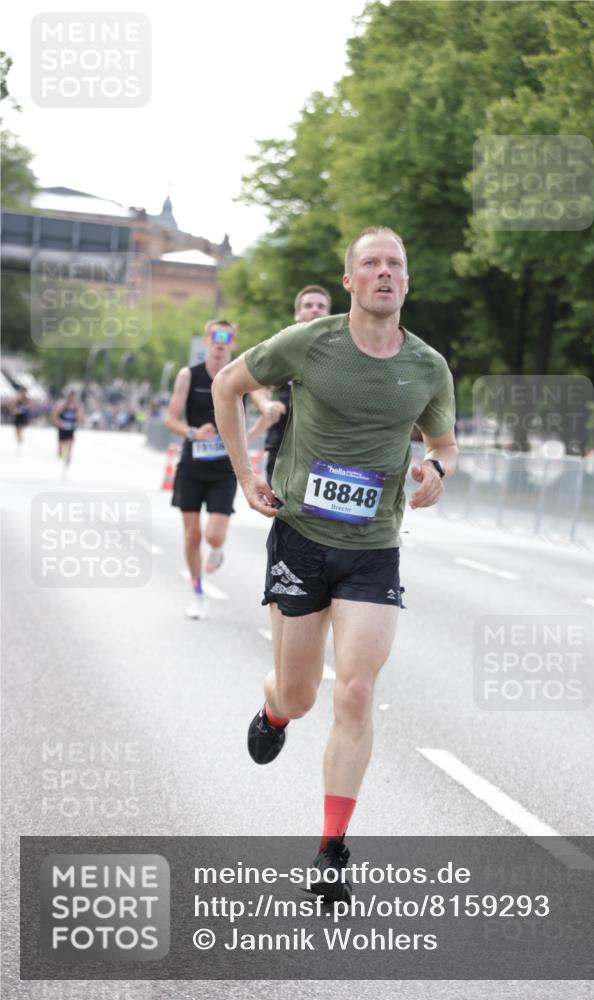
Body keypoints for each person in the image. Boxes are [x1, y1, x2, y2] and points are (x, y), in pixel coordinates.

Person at [213, 226, 457, 902]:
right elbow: (228, 384)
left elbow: (443, 440)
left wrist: (436, 466)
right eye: (370, 264)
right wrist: (243, 471)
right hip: (300, 537)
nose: (384, 273)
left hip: (373, 545)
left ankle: (330, 850)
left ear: (407, 282)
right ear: (349, 281)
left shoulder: (428, 367)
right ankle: (275, 711)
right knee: (301, 692)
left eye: (395, 265)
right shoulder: (309, 344)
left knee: (354, 691)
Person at [165, 319, 239, 620]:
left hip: (224, 467)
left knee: (214, 536)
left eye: (227, 338)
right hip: (193, 463)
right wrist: (195, 432)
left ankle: (218, 548)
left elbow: (259, 397)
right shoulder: (188, 375)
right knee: (193, 535)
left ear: (233, 343)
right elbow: (171, 418)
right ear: (206, 341)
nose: (220, 342)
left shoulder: (237, 375)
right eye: (215, 337)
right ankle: (197, 593)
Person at [249, 285, 331, 482]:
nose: (315, 309)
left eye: (321, 306)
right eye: (308, 305)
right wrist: (265, 404)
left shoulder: (341, 351)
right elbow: (256, 384)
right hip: (283, 449)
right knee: (281, 511)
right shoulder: (283, 348)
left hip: (326, 450)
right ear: (297, 313)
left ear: (328, 314)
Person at [50, 389, 80, 476]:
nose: (72, 398)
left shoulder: (76, 407)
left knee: (70, 448)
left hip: (70, 430)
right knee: (60, 451)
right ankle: (61, 454)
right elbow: (53, 416)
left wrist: (76, 424)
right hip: (62, 430)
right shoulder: (61, 405)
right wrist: (60, 424)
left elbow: (80, 418)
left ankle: (66, 468)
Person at [10, 386, 31, 451]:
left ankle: (20, 439)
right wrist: (15, 411)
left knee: (21, 428)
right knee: (17, 430)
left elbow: (30, 406)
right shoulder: (17, 398)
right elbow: (12, 406)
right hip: (17, 416)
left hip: (23, 416)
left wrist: (25, 409)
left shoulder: (27, 399)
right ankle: (19, 438)